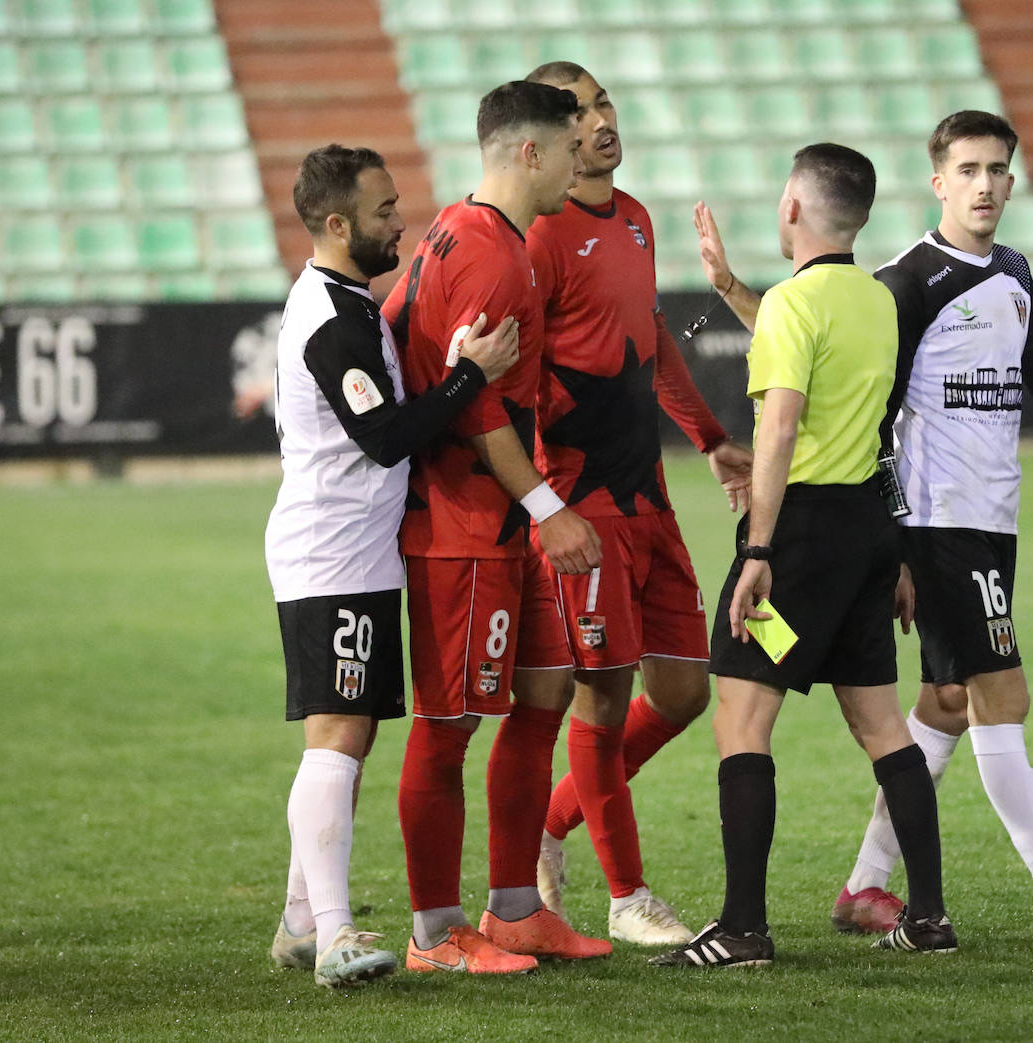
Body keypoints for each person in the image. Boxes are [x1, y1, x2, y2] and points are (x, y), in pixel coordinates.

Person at [694, 111, 1033, 941]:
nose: (985, 184)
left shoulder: (1012, 271)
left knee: (944, 701)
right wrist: (885, 524)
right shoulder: (907, 280)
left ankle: (868, 886)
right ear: (938, 181)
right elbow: (846, 390)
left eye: (998, 169)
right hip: (934, 520)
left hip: (991, 516)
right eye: (968, 169)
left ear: (1013, 182)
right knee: (1000, 697)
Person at [652, 144, 956, 968]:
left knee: (742, 717)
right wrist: (726, 287)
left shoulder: (794, 305)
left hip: (802, 535)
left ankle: (744, 928)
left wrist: (758, 547)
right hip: (866, 529)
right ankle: (926, 917)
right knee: (881, 724)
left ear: (792, 208)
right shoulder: (877, 301)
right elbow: (821, 362)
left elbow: (780, 425)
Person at [264, 144, 520, 987]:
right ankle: (335, 935)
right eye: (381, 211)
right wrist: (467, 378)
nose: (397, 221)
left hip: (358, 551)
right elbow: (382, 442)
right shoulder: (334, 321)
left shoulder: (347, 299)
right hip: (330, 552)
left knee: (355, 732)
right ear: (337, 225)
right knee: (336, 735)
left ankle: (303, 919)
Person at [521, 61, 754, 947]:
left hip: (648, 497)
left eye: (604, 101)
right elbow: (516, 374)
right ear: (549, 137)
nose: (600, 121)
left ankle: (552, 823)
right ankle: (628, 896)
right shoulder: (540, 239)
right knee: (604, 699)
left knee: (685, 690)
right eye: (578, 112)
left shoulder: (637, 218)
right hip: (583, 505)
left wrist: (709, 436)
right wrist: (540, 501)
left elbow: (650, 339)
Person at [381, 80, 612, 974]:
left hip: (499, 523)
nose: (575, 163)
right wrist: (545, 507)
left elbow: (403, 326)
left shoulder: (459, 227)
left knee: (545, 687)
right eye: (565, 149)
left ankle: (515, 908)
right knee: (445, 726)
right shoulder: (494, 258)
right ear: (529, 153)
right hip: (467, 524)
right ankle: (434, 933)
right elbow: (475, 410)